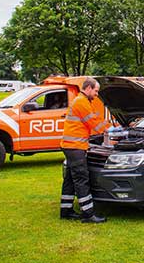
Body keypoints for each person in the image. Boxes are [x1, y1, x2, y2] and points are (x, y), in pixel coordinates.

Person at [59, 77, 110, 223]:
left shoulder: (82, 101)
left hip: (70, 145)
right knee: (82, 179)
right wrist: (113, 130)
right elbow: (94, 123)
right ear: (88, 88)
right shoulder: (82, 102)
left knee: (69, 179)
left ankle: (66, 210)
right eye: (96, 90)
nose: (97, 94)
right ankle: (88, 214)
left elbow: (96, 118)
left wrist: (111, 125)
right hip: (75, 147)